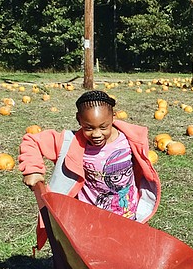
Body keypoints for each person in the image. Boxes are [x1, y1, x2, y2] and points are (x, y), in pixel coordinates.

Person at [18, 90, 160, 249]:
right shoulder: (70, 142)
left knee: (130, 254)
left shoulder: (129, 138)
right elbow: (32, 141)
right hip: (92, 222)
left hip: (129, 216)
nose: (97, 134)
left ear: (113, 116)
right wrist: (33, 169)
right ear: (79, 119)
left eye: (103, 127)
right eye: (89, 128)